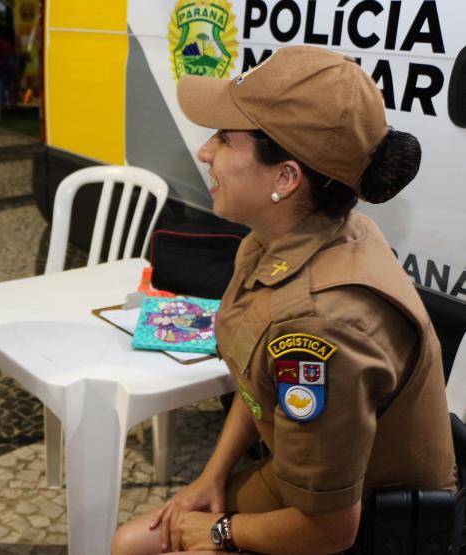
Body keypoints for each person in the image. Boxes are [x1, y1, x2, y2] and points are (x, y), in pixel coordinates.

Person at [112, 45, 457, 554]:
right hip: (307, 477)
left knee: (135, 546)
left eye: (226, 139)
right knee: (133, 542)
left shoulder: (320, 323)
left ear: (285, 178)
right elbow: (260, 383)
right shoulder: (284, 240)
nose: (206, 151)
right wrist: (213, 473)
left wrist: (219, 532)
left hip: (366, 527)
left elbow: (331, 530)